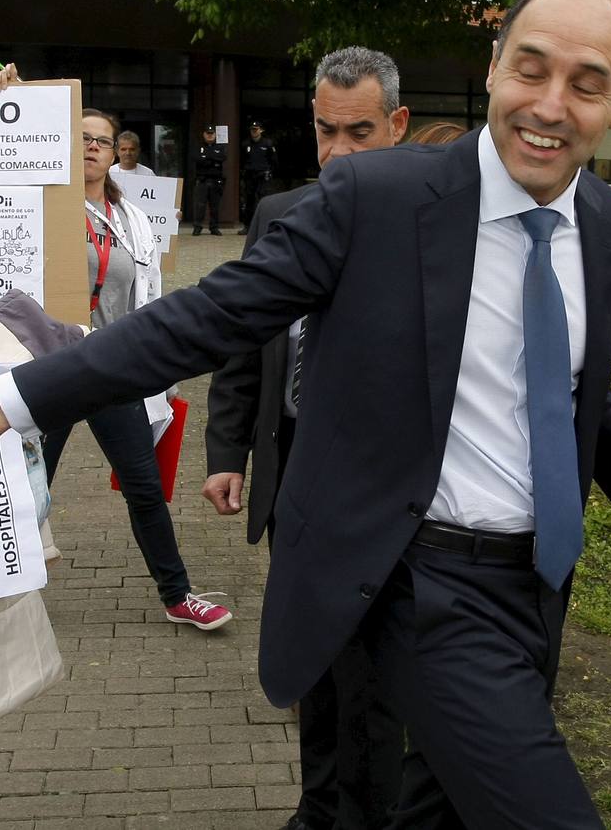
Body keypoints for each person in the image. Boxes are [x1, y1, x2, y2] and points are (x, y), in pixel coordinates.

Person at [0, 0, 611, 829]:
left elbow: (556, 369)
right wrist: (11, 401)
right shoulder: (378, 199)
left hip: (538, 580)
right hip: (422, 582)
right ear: (494, 63)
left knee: (440, 815)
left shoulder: (606, 223)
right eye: (531, 68)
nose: (549, 104)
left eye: (587, 83)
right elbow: (203, 320)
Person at [205, 45, 410, 830]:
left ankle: (372, 812)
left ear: (396, 124)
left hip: (379, 483)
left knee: (372, 670)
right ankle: (317, 807)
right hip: (291, 466)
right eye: (326, 131)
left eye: (358, 133)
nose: (338, 153)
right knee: (309, 658)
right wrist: (229, 454)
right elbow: (238, 337)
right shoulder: (278, 214)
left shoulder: (428, 227)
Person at [0, 61, 233, 631]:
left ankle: (178, 596)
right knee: (26, 488)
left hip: (111, 369)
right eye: (81, 139)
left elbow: (147, 293)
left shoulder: (129, 216)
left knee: (145, 488)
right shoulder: (39, 202)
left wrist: (160, 369)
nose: (93, 149)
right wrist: (13, 97)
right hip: (49, 369)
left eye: (102, 140)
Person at [240, 120, 280, 229]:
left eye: (256, 129)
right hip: (249, 175)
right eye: (252, 129)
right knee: (249, 201)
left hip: (263, 176)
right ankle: (247, 226)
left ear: (261, 130)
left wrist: (270, 171)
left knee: (263, 200)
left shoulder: (268, 143)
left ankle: (264, 225)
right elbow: (242, 160)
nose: (254, 131)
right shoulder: (245, 144)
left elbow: (274, 160)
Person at [192, 125, 226, 235]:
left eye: (212, 133)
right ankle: (197, 227)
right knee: (200, 205)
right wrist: (212, 159)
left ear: (215, 135)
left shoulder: (220, 147)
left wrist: (206, 157)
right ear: (204, 134)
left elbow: (222, 158)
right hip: (202, 180)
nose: (210, 135)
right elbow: (197, 159)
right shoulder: (199, 146)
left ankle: (214, 227)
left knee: (215, 206)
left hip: (216, 181)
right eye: (208, 133)